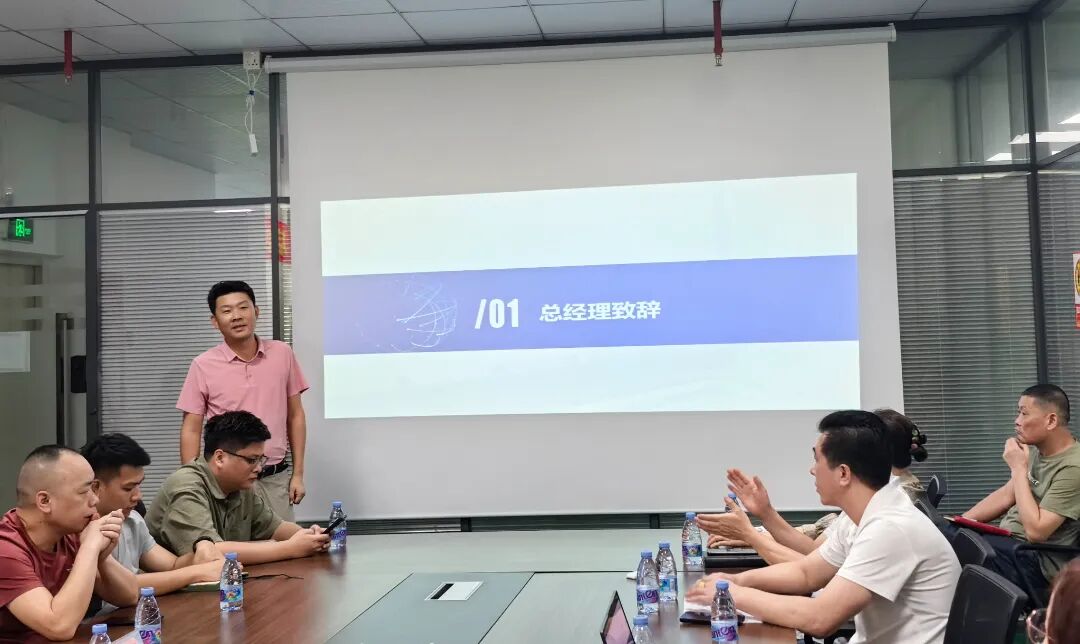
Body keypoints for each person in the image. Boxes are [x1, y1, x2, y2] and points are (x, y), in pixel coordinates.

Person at [686, 411, 960, 644]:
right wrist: (735, 581)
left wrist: (734, 594)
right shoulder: (861, 515)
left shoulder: (891, 528)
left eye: (817, 460)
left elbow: (821, 619)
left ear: (843, 473)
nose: (812, 470)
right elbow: (806, 573)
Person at [699, 408, 928, 564]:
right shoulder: (875, 499)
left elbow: (815, 578)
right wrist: (762, 520)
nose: (812, 469)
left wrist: (751, 536)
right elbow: (815, 556)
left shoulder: (890, 514)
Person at [178, 280, 310, 521]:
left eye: (243, 307)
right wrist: (193, 484)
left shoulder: (282, 353)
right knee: (229, 544)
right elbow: (191, 429)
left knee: (283, 542)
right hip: (225, 483)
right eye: (227, 311)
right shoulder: (202, 365)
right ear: (215, 322)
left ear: (256, 311)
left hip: (273, 478)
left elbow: (295, 415)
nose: (236, 316)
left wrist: (298, 474)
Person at [149, 411, 330, 564]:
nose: (259, 468)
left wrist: (310, 536)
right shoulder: (186, 486)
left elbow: (275, 527)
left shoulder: (240, 486)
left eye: (261, 459)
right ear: (220, 458)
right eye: (252, 460)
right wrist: (290, 548)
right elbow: (211, 553)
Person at [0, 446, 138, 641]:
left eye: (94, 488)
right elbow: (59, 627)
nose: (95, 500)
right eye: (84, 491)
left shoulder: (69, 532)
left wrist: (101, 557)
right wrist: (90, 547)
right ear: (45, 501)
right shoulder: (6, 550)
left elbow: (129, 595)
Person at [957, 384, 1080, 602]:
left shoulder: (1073, 467)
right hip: (1011, 547)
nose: (1017, 421)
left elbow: (1036, 532)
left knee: (957, 551)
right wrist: (961, 523)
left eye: (1024, 413)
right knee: (948, 535)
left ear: (1051, 421)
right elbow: (1007, 495)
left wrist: (1018, 469)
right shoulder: (1037, 452)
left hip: (1036, 562)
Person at [80, 433, 226, 609]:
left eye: (139, 485)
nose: (138, 496)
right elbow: (129, 588)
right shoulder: (79, 530)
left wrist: (202, 546)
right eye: (128, 488)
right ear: (96, 487)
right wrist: (197, 572)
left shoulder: (132, 520)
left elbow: (172, 565)